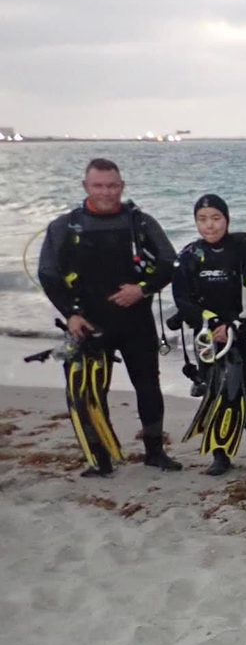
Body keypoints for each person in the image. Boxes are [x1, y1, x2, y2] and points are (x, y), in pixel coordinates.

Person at [37, 158, 182, 474]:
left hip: (136, 322)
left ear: (122, 186)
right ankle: (100, 456)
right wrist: (71, 315)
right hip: (89, 324)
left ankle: (155, 451)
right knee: (91, 392)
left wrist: (141, 289)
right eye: (99, 185)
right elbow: (48, 274)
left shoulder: (140, 223)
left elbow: (170, 263)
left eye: (112, 185)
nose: (106, 192)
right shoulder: (65, 227)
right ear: (86, 187)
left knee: (148, 387)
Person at [171, 194, 246, 475]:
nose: (210, 226)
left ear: (227, 219)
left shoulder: (244, 249)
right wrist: (211, 323)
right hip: (210, 337)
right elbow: (183, 300)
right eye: (203, 219)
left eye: (216, 218)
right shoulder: (189, 256)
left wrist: (234, 324)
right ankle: (220, 455)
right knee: (218, 394)